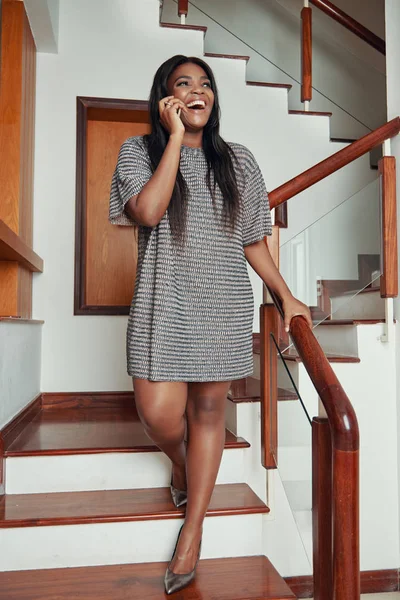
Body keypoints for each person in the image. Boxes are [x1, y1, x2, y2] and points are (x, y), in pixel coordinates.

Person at [109, 54, 312, 595]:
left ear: (214, 98)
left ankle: (192, 531)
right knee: (157, 414)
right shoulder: (138, 152)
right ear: (166, 97)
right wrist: (174, 138)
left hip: (222, 305)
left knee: (207, 413)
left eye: (206, 84)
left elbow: (252, 238)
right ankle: (182, 467)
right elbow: (149, 211)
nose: (198, 91)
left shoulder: (239, 161)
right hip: (163, 304)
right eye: (183, 84)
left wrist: (286, 296)